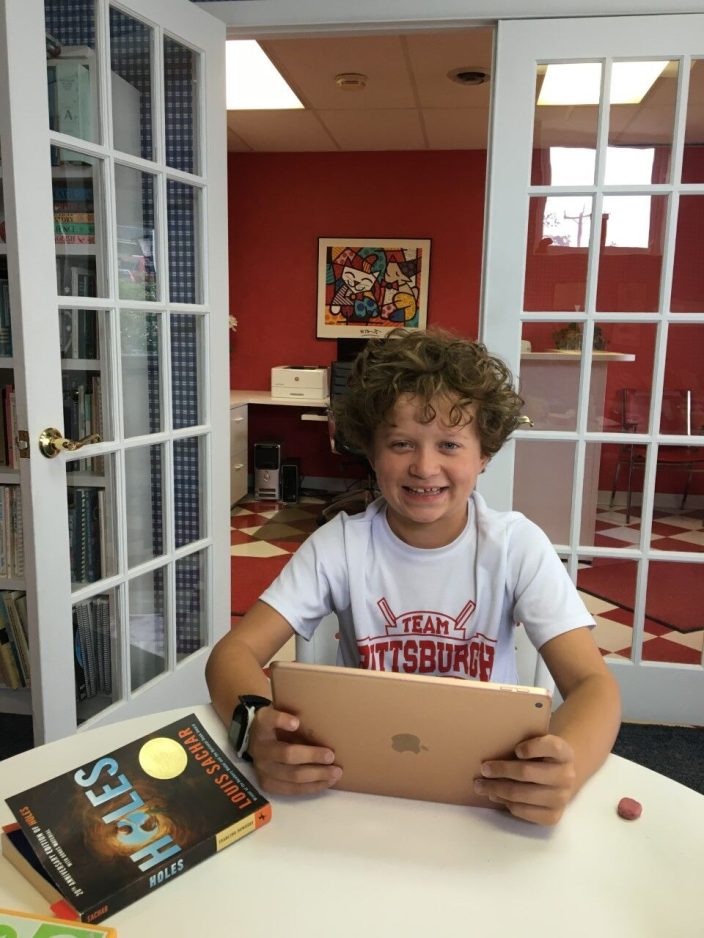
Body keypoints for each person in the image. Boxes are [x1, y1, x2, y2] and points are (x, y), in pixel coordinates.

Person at [206, 328, 621, 826]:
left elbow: (594, 686)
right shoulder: (340, 545)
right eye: (401, 443)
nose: (425, 467)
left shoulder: (517, 547)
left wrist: (566, 769)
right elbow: (232, 655)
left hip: (489, 793)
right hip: (356, 784)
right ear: (371, 451)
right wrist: (254, 728)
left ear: (484, 454)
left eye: (449, 444)